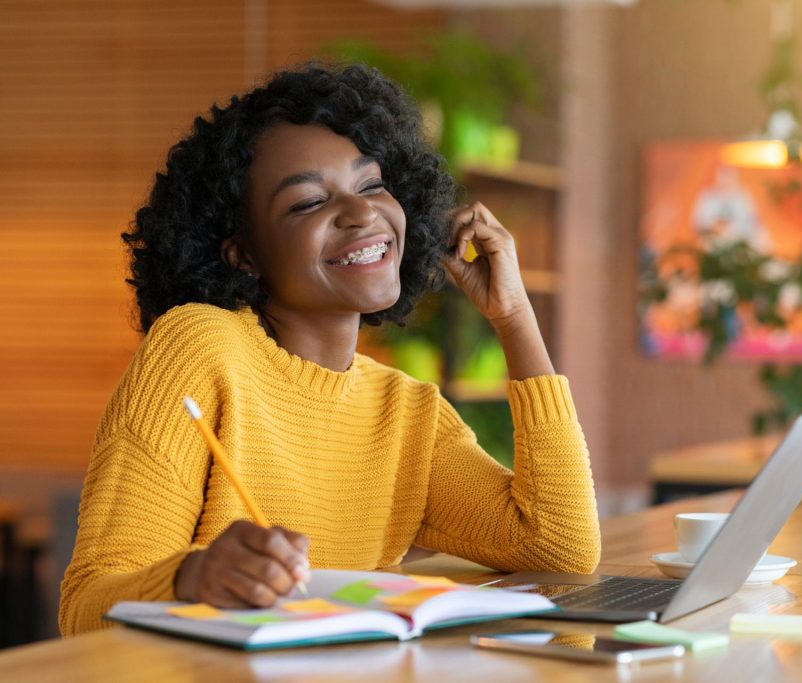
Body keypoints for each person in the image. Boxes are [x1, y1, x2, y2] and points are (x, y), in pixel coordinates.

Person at [59, 62, 600, 635]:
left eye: (370, 184)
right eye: (308, 203)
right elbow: (86, 608)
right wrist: (191, 579)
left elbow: (557, 546)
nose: (363, 211)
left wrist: (513, 317)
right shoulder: (200, 347)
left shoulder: (405, 411)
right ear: (243, 253)